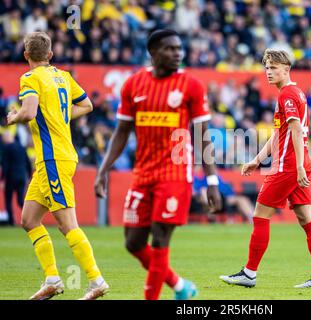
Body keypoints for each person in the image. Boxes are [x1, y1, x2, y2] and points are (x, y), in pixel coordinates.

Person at [94, 29, 222, 300]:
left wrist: (211, 181)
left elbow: (203, 136)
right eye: (170, 49)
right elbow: (121, 131)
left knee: (160, 239)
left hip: (175, 173)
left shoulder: (191, 86)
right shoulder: (133, 85)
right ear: (153, 53)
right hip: (143, 172)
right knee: (133, 243)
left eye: (179, 48)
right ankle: (179, 286)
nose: (178, 53)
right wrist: (104, 168)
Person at [6, 32, 109, 300]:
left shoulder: (30, 78)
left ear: (26, 55)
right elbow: (86, 105)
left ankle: (96, 280)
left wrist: (14, 117)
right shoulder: (63, 76)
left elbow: (28, 112)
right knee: (29, 220)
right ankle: (52, 278)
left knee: (67, 225)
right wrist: (60, 117)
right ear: (50, 55)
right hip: (50, 161)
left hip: (54, 159)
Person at [220, 49, 311, 288]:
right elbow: (279, 134)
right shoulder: (296, 92)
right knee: (306, 218)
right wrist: (257, 160)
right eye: (267, 68)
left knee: (260, 215)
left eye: (273, 68)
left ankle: (249, 273)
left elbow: (296, 130)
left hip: (287, 166)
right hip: (296, 164)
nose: (268, 72)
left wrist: (298, 166)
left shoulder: (287, 95)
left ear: (286, 69)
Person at [1, 131, 32, 226]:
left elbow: (5, 165)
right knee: (20, 200)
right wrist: (29, 176)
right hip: (22, 177)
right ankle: (31, 218)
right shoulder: (21, 147)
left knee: (8, 200)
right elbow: (28, 163)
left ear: (7, 138)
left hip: (11, 177)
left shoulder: (6, 148)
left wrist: (2, 179)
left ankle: (11, 222)